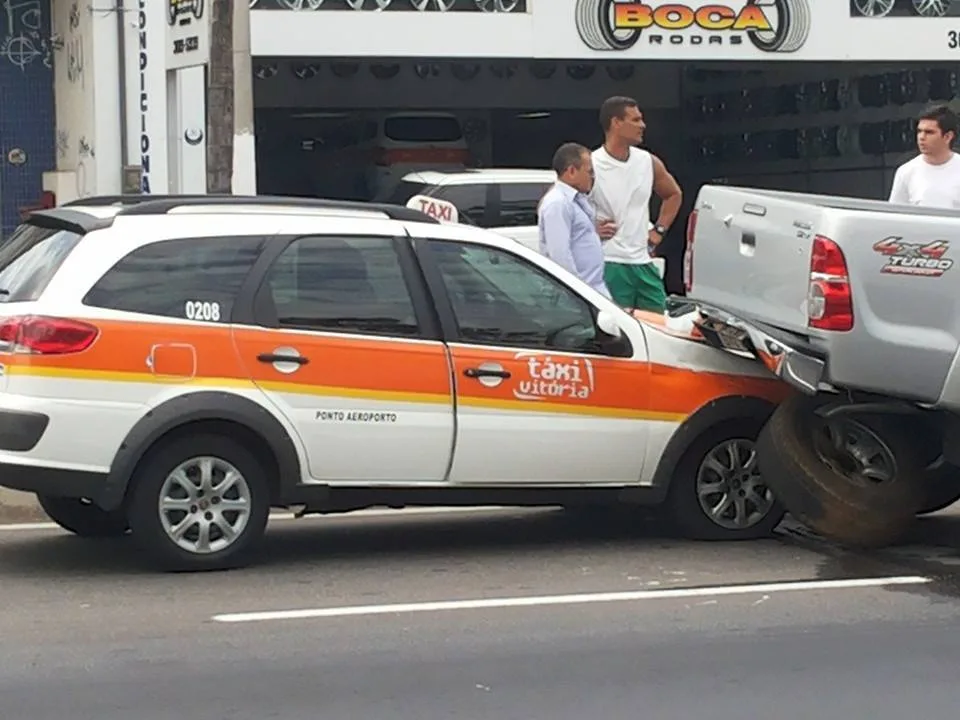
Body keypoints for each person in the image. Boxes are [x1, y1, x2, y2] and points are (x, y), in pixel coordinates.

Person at [589, 96, 683, 313]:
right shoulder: (591, 164)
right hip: (609, 262)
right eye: (636, 119)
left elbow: (673, 194)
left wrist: (659, 231)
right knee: (617, 331)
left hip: (643, 261)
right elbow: (559, 204)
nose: (643, 125)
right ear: (616, 123)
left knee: (660, 326)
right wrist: (590, 229)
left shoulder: (648, 161)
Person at [537, 142, 611, 298]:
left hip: (593, 289)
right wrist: (578, 293)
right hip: (578, 294)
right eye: (589, 171)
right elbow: (560, 255)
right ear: (571, 171)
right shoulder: (558, 203)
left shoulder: (576, 200)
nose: (592, 177)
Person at [888, 104, 960, 209]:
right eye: (919, 131)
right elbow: (895, 215)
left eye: (929, 132)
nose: (921, 137)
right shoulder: (906, 172)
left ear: (948, 136)